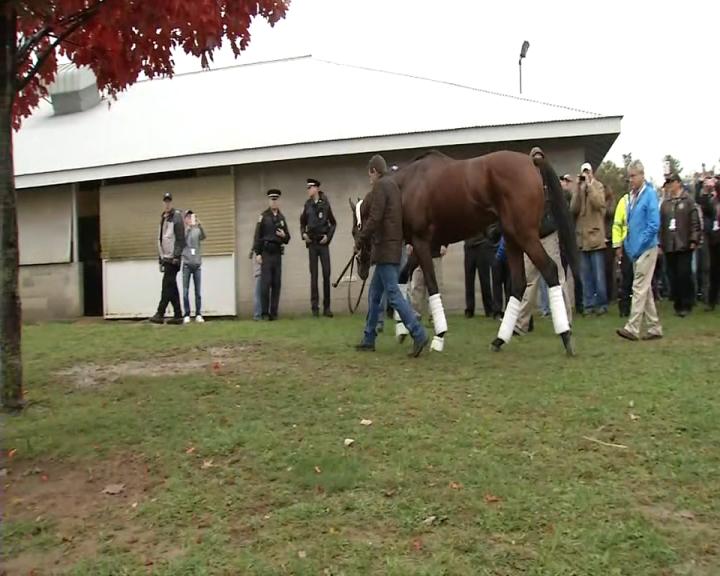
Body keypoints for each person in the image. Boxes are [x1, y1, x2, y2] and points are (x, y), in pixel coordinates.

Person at [355, 154, 428, 356]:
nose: (369, 178)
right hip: (391, 249)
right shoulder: (394, 186)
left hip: (386, 250)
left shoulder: (380, 186)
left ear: (373, 171)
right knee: (374, 294)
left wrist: (361, 239)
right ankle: (368, 338)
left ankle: (419, 334)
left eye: (369, 174)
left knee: (393, 296)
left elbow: (375, 218)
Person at [514, 147, 571, 335]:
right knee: (529, 282)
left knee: (559, 279)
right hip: (532, 239)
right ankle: (521, 324)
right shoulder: (525, 184)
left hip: (548, 236)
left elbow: (561, 207)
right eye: (534, 160)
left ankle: (566, 321)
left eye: (540, 159)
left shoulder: (551, 184)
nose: (537, 163)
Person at [616, 160, 663, 341]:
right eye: (629, 177)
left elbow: (654, 224)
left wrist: (638, 244)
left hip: (647, 248)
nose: (631, 180)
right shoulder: (632, 197)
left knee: (638, 287)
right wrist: (628, 245)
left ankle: (633, 327)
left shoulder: (649, 195)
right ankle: (654, 327)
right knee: (645, 289)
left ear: (642, 175)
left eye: (633, 176)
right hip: (635, 250)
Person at [659, 174, 700, 317]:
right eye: (667, 183)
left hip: (684, 244)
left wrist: (694, 239)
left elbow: (695, 222)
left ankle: (687, 303)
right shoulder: (665, 203)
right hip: (669, 245)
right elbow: (661, 225)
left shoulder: (688, 201)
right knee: (673, 275)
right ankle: (677, 304)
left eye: (671, 182)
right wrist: (660, 243)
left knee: (684, 274)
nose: (669, 185)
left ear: (678, 183)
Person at [571, 162, 608, 315]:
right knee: (586, 277)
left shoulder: (598, 186)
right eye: (583, 172)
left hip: (595, 237)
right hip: (582, 240)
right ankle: (589, 305)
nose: (585, 175)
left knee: (599, 276)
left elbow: (599, 203)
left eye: (588, 172)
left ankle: (602, 304)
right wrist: (578, 191)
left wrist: (590, 185)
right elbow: (573, 209)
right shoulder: (579, 190)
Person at [300, 178, 337, 317]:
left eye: (310, 188)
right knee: (313, 275)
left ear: (316, 189)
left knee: (326, 274)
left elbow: (333, 223)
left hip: (323, 243)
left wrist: (328, 236)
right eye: (307, 188)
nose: (308, 190)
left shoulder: (325, 203)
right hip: (312, 244)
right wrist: (303, 234)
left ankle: (327, 308)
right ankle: (314, 308)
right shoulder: (307, 205)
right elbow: (302, 223)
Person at [253, 189, 290, 320]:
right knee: (265, 284)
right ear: (269, 201)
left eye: (276, 200)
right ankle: (264, 313)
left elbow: (288, 238)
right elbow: (257, 236)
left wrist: (284, 235)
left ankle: (273, 313)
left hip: (277, 253)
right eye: (272, 200)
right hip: (266, 253)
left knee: (276, 284)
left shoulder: (281, 218)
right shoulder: (263, 216)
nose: (274, 202)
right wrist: (257, 253)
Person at [150, 192, 185, 325]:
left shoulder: (176, 217)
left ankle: (160, 313)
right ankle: (178, 315)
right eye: (165, 201)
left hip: (173, 259)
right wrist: (160, 259)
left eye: (169, 201)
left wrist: (176, 256)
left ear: (172, 202)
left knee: (166, 286)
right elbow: (161, 239)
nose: (167, 204)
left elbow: (181, 239)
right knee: (171, 286)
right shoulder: (163, 218)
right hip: (166, 258)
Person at [409, 242, 447, 321]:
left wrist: (445, 244)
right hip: (418, 254)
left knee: (436, 285)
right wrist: (409, 243)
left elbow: (445, 230)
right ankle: (415, 314)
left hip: (434, 253)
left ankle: (435, 315)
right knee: (417, 285)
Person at [463, 229, 496, 318]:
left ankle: (489, 309)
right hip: (469, 246)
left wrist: (487, 238)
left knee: (484, 279)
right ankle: (469, 309)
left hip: (482, 245)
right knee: (469, 279)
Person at [182, 210, 206, 323]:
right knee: (186, 291)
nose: (190, 219)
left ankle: (198, 314)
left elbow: (204, 237)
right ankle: (186, 313)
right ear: (185, 219)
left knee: (198, 291)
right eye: (188, 217)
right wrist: (188, 228)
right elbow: (182, 241)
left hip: (197, 264)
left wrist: (199, 225)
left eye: (191, 217)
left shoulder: (197, 230)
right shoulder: (184, 231)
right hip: (186, 264)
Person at [699, 178, 720, 310]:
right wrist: (705, 193)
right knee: (714, 271)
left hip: (715, 238)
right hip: (715, 240)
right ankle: (712, 301)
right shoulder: (712, 201)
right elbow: (705, 209)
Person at [612, 189, 633, 317]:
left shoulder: (645, 199)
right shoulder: (624, 202)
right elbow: (617, 225)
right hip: (626, 244)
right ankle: (624, 309)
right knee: (626, 278)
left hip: (640, 244)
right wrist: (617, 245)